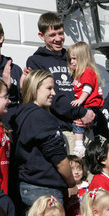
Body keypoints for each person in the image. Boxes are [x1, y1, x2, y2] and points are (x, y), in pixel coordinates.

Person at [25, 12, 95, 152]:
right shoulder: (36, 61)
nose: (58, 39)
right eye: (52, 35)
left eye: (60, 33)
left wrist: (92, 114)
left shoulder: (72, 57)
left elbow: (91, 85)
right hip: (62, 131)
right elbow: (51, 98)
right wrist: (80, 112)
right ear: (41, 36)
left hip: (86, 127)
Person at [12, 70, 75, 211]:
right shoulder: (40, 117)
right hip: (44, 191)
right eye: (49, 88)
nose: (53, 93)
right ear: (35, 88)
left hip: (28, 187)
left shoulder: (22, 114)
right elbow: (59, 159)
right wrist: (71, 183)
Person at [67, 42, 104, 156]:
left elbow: (87, 88)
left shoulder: (87, 72)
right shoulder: (78, 73)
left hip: (89, 103)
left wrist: (80, 100)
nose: (71, 62)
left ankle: (79, 145)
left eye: (74, 59)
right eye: (70, 59)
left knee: (78, 120)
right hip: (88, 103)